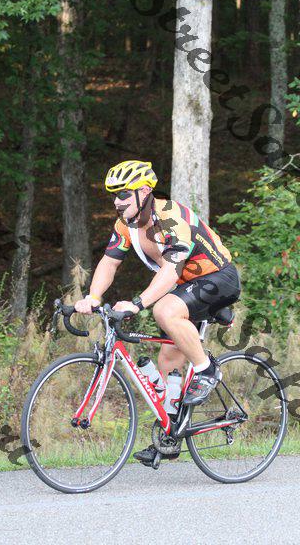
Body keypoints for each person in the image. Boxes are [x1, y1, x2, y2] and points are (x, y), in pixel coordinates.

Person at [75, 160, 241, 466]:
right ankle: (169, 436)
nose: (116, 201)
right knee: (167, 364)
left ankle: (206, 370)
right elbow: (109, 262)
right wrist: (93, 297)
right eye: (113, 195)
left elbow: (171, 270)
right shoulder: (125, 225)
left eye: (123, 194)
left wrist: (137, 303)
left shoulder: (171, 217)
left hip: (218, 278)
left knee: (164, 309)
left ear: (144, 191)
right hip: (186, 287)